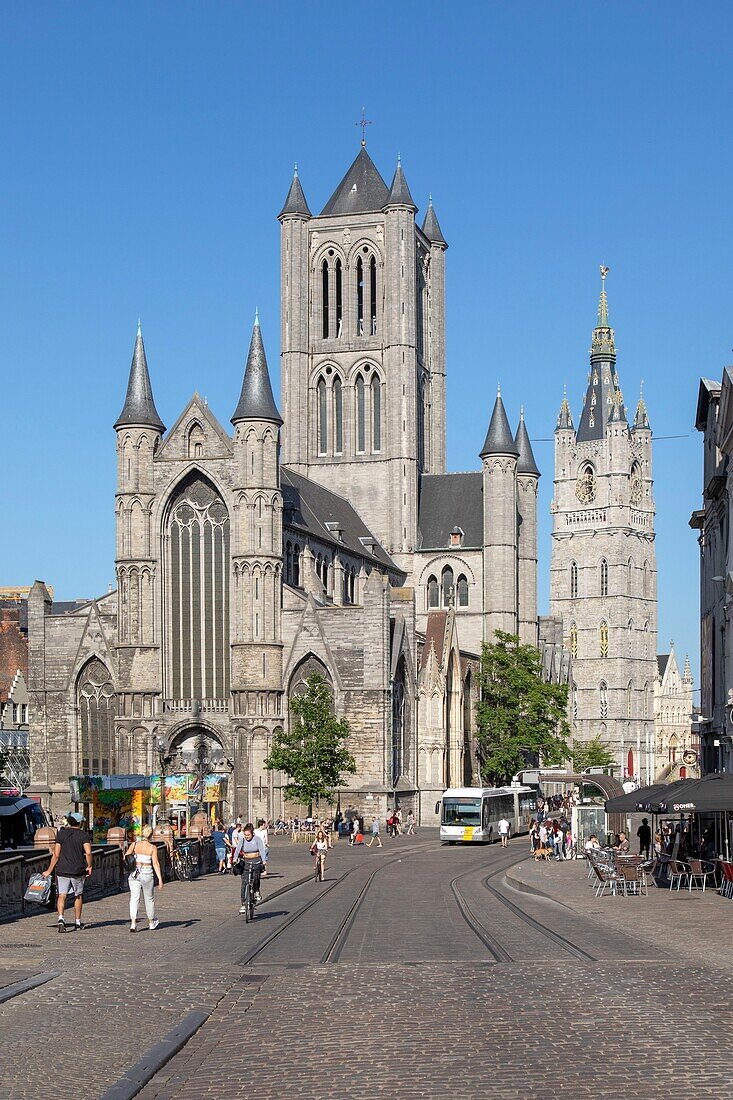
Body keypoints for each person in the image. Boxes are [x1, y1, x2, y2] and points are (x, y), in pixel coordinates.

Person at [42, 811, 93, 932]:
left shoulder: (62, 834)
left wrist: (49, 870)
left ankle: (61, 918)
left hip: (62, 869)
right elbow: (89, 852)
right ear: (80, 823)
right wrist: (90, 866)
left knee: (62, 895)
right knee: (78, 895)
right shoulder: (83, 835)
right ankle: (77, 922)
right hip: (77, 870)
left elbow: (56, 854)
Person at [125, 825, 164, 931]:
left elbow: (126, 856)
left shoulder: (134, 844)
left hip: (135, 873)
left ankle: (133, 923)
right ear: (151, 835)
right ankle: (151, 922)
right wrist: (160, 879)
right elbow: (155, 863)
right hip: (147, 873)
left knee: (134, 898)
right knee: (149, 898)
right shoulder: (152, 848)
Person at [233, 822, 267, 910]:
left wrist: (263, 861)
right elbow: (237, 850)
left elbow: (262, 850)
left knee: (256, 878)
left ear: (252, 834)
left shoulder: (257, 839)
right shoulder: (243, 840)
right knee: (244, 883)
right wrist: (235, 858)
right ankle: (243, 903)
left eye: (248, 835)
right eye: (245, 835)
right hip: (246, 863)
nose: (246, 836)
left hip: (256, 862)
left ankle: (256, 891)